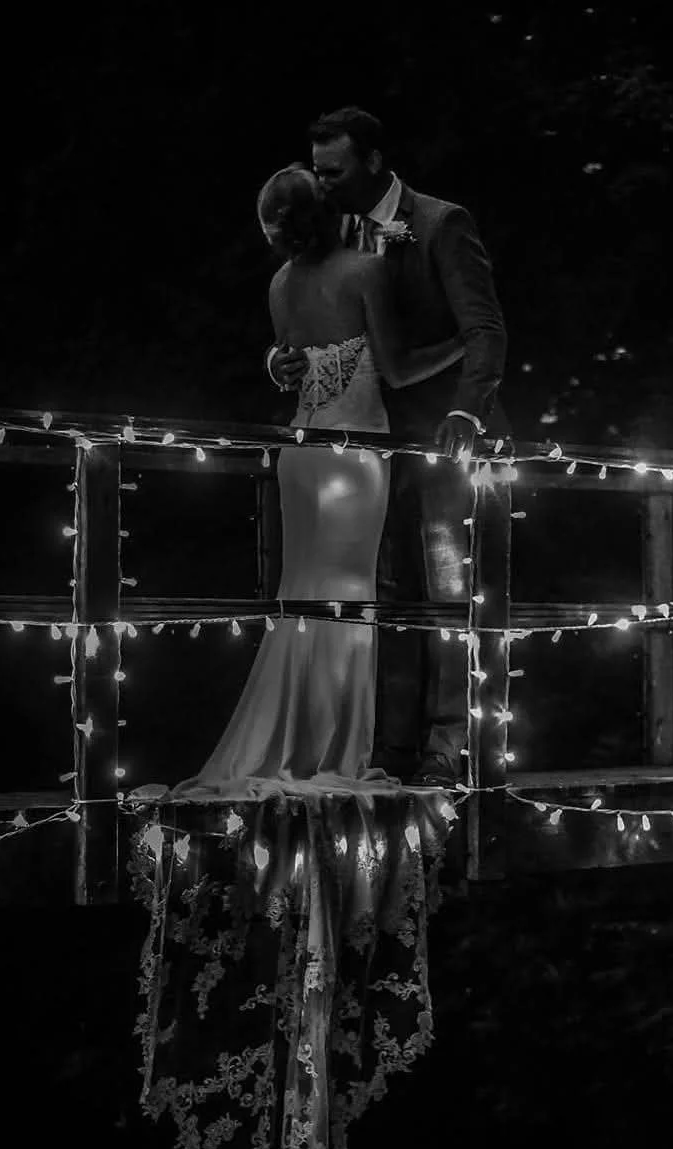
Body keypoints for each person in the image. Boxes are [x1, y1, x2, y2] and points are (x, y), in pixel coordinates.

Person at [171, 166, 464, 797]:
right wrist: (463, 344)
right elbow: (400, 370)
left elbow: (290, 363)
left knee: (301, 601)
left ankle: (295, 740)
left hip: (300, 455)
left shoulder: (280, 283)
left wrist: (279, 367)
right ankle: (333, 747)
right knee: (347, 603)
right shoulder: (365, 272)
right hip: (352, 457)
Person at [266, 107, 509, 788]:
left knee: (449, 593)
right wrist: (279, 364)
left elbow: (486, 332)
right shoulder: (328, 230)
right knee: (381, 597)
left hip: (439, 437)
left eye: (334, 170)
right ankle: (387, 745)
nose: (324, 182)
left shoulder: (440, 223)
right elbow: (312, 320)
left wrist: (466, 409)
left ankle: (449, 744)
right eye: (317, 171)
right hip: (363, 448)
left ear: (373, 162)